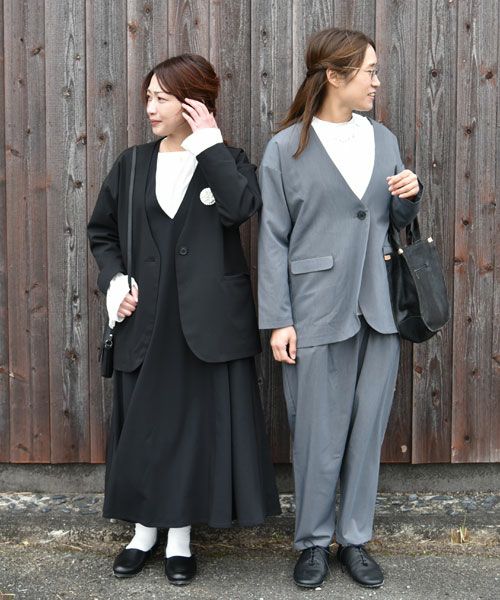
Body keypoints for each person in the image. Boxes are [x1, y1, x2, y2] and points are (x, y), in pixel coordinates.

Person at [87, 53, 280, 586]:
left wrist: (208, 144)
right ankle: (142, 533)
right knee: (146, 427)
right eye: (148, 97)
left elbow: (240, 208)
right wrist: (114, 282)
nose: (151, 108)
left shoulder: (228, 159)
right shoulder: (131, 164)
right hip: (145, 321)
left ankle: (180, 540)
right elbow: (102, 232)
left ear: (194, 103)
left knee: (196, 430)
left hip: (206, 324)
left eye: (163, 98)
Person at [258, 28, 422, 590]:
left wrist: (408, 199)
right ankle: (311, 542)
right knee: (315, 435)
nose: (376, 81)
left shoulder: (384, 139)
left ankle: (354, 539)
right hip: (314, 311)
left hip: (378, 308)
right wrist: (278, 320)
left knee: (367, 431)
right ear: (334, 75)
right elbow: (272, 239)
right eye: (369, 71)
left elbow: (393, 224)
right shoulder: (285, 149)